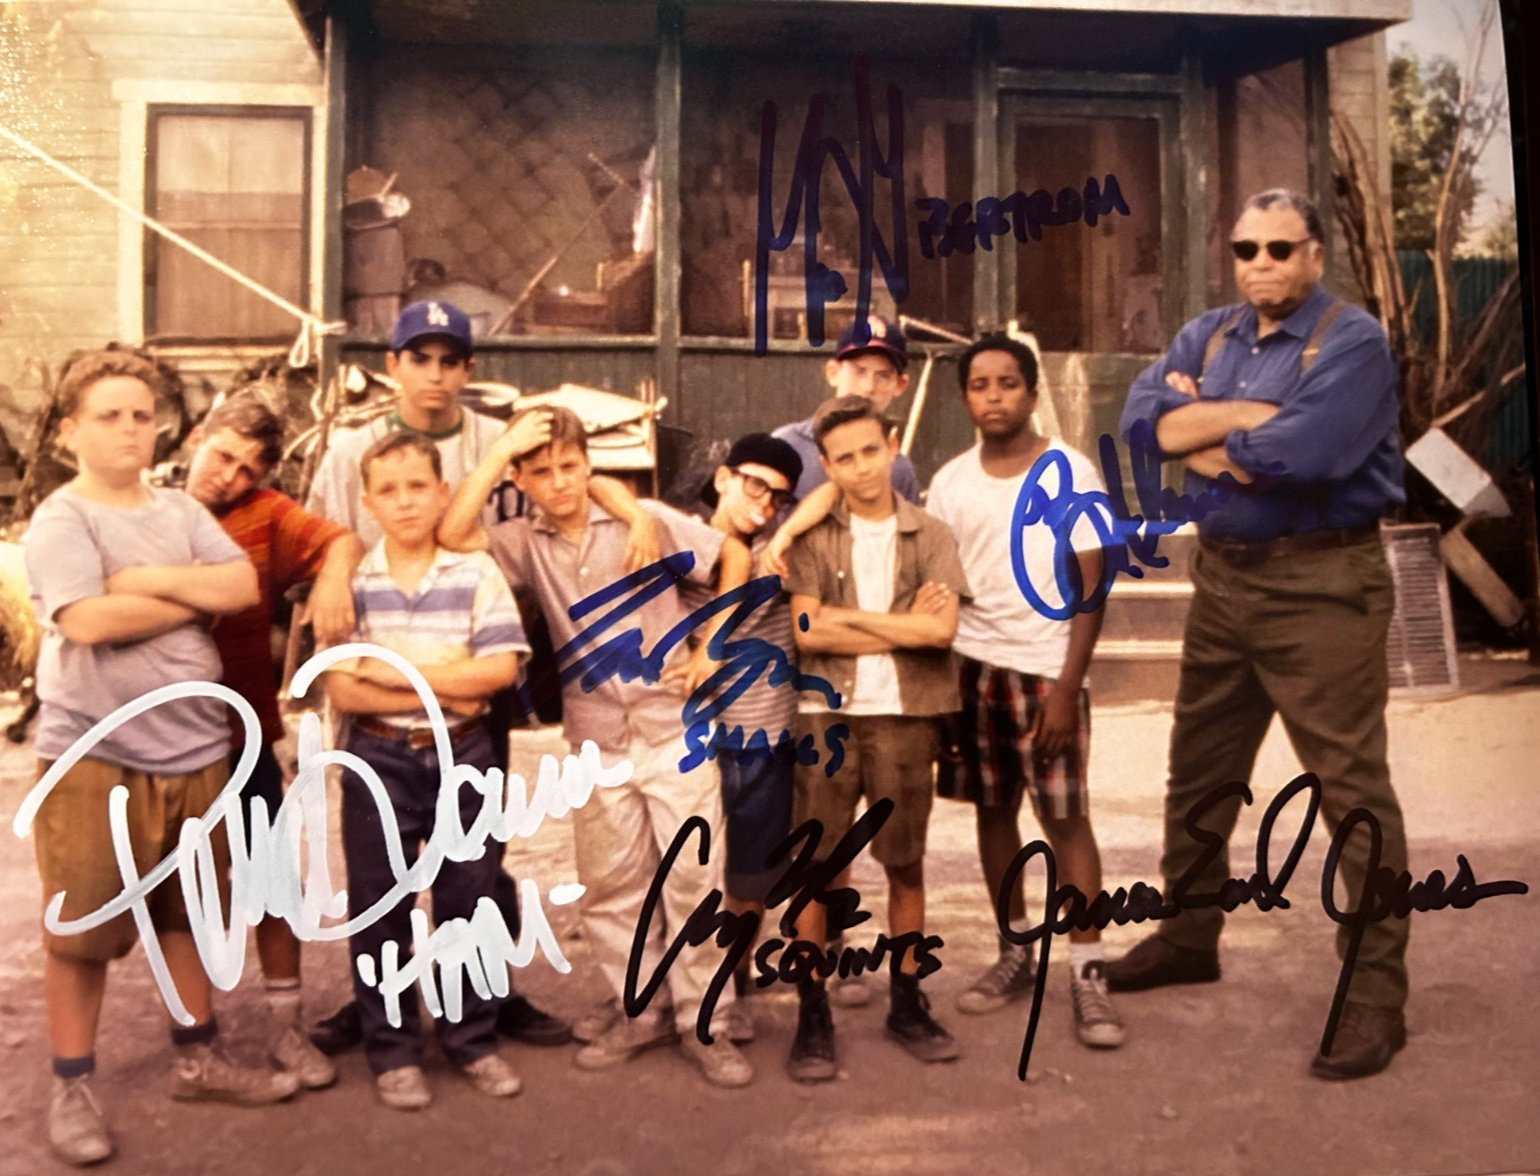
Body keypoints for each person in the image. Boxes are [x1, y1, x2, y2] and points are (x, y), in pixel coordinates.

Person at [1111, 187, 1409, 1080]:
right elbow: (1138, 426)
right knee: (1199, 768)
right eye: (1247, 249)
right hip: (1224, 579)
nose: (1262, 265)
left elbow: (1304, 457)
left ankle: (1376, 994)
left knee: (1350, 791)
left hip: (1323, 584)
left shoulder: (1352, 342)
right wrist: (1247, 419)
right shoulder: (1207, 336)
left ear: (1315, 254)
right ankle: (1188, 935)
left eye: (1281, 248)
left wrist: (1203, 431)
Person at [22, 350, 296, 1167]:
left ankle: (197, 1057)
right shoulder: (63, 519)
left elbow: (240, 588)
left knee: (187, 914)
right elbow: (84, 622)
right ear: (70, 431)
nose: (129, 429)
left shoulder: (178, 510)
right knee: (81, 927)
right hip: (95, 753)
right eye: (109, 415)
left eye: (141, 415)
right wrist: (186, 595)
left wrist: (135, 578)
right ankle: (72, 1086)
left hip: (196, 749)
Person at [438, 405, 757, 1090]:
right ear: (521, 480)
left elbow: (734, 555)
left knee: (692, 878)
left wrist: (713, 642)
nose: (559, 482)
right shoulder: (524, 542)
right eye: (542, 471)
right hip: (597, 734)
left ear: (590, 465)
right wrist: (499, 451)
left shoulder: (645, 520)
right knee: (613, 886)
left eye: (571, 466)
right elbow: (452, 533)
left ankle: (706, 1021)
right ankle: (641, 1010)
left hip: (674, 725)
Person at [926, 334, 1124, 1048]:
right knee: (992, 812)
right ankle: (1015, 952)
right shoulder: (950, 482)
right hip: (972, 670)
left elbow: (1093, 584)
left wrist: (1067, 687)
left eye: (1008, 383)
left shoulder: (1068, 471)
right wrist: (942, 685)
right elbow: (939, 587)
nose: (994, 396)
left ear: (1032, 393)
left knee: (1065, 821)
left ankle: (1088, 973)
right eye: (980, 385)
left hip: (1046, 672)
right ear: (965, 398)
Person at [319, 431, 526, 1110]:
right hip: (377, 755)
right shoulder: (353, 584)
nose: (405, 501)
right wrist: (448, 686)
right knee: (380, 906)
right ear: (367, 502)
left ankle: (471, 1041)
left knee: (468, 897)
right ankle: (393, 1050)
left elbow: (497, 672)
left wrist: (391, 670)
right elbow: (343, 690)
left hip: (464, 753)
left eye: (418, 487)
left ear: (443, 493)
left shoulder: (476, 573)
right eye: (388, 490)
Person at [779, 394, 970, 1082]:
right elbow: (808, 632)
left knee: (904, 864)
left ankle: (907, 1001)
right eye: (844, 458)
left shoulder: (931, 534)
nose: (861, 467)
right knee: (816, 868)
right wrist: (897, 623)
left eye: (870, 451)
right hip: (824, 716)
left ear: (892, 447)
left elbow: (940, 632)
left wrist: (850, 620)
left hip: (905, 717)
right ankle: (812, 1011)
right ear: (827, 467)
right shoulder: (813, 537)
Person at [182, 394, 366, 1090]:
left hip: (244, 730)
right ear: (196, 437)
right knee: (184, 891)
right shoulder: (148, 511)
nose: (229, 476)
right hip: (165, 739)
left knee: (272, 880)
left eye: (247, 469)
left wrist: (332, 580)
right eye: (223, 456)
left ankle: (287, 1030)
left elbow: (341, 539)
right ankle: (195, 1043)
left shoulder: (263, 513)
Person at [691, 433, 805, 1043]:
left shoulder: (779, 550)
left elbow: (830, 494)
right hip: (683, 736)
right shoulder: (681, 540)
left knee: (747, 875)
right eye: (756, 486)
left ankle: (732, 984)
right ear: (722, 478)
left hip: (762, 733)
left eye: (779, 497)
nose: (766, 504)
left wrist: (785, 533)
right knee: (682, 870)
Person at [773, 315, 922, 504]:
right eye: (859, 371)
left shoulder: (899, 470)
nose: (869, 387)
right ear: (833, 373)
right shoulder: (786, 446)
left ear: (900, 385)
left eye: (883, 376)